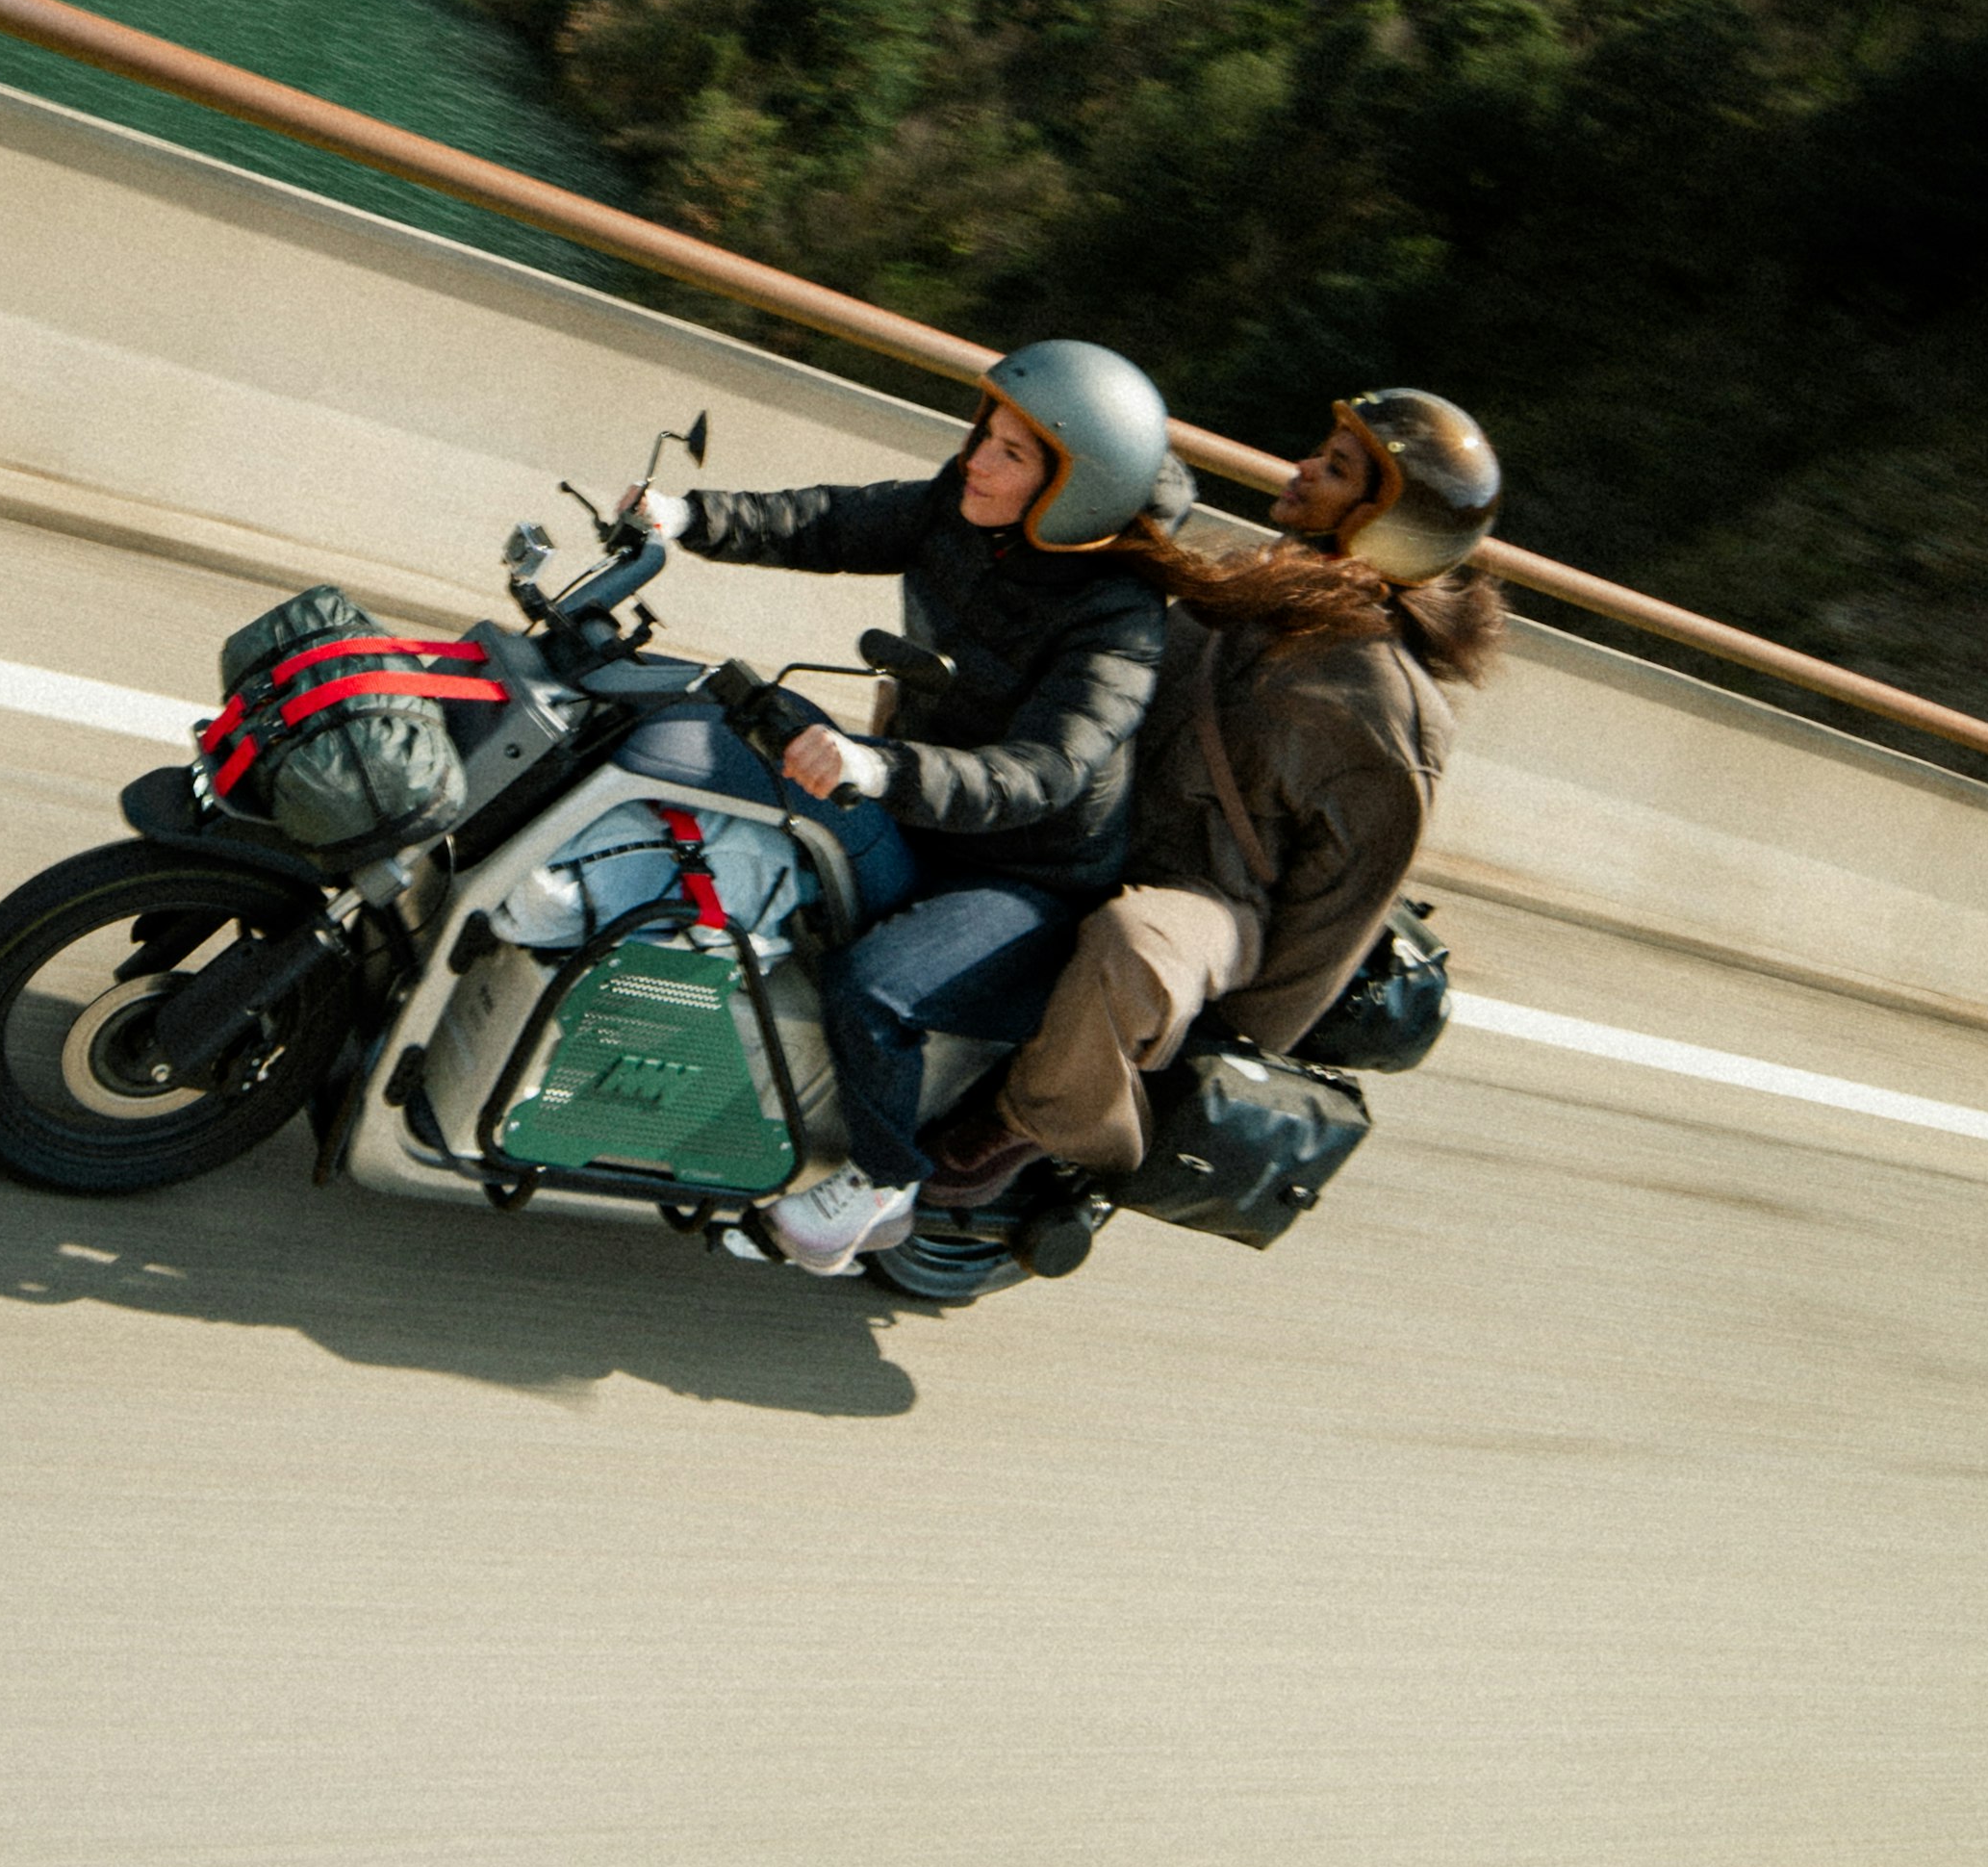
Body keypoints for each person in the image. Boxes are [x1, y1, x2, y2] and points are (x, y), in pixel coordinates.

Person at [893, 384, 1505, 1295]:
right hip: (1100, 826)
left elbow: (1345, 900)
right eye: (1323, 450)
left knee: (1134, 945)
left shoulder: (1390, 711)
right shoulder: (1242, 576)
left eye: (1337, 469)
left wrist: (1239, 1039)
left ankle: (1031, 1125)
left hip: (1212, 902)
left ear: (1392, 523)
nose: (1303, 467)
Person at [641, 340, 1183, 1277]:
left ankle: (882, 1178)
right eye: (986, 434)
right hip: (926, 802)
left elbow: (1043, 771)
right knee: (746, 808)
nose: (977, 458)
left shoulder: (1120, 617)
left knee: (873, 982)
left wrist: (882, 766)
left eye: (1013, 452)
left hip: (1027, 876)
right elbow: (833, 521)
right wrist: (690, 516)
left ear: (1076, 487)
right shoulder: (962, 504)